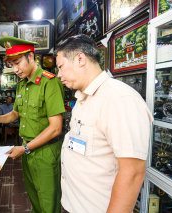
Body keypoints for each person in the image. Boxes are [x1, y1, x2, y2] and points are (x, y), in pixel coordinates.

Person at [55, 34, 153, 213]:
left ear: (80, 59)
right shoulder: (82, 98)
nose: (59, 75)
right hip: (73, 204)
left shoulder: (119, 99)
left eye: (61, 67)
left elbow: (132, 173)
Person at [0, 36, 65, 213]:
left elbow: (56, 127)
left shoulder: (50, 82)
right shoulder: (21, 85)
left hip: (45, 153)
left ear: (30, 57)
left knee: (48, 202)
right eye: (11, 65)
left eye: (17, 62)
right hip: (28, 150)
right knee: (34, 198)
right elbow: (15, 113)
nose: (15, 69)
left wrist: (24, 149)